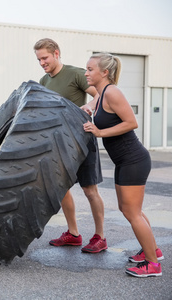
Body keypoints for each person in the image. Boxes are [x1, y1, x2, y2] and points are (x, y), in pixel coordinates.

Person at [83, 52, 163, 277]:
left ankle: (153, 263)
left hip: (133, 159)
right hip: (124, 161)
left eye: (90, 69)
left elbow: (131, 122)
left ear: (104, 72)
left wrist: (99, 132)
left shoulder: (113, 92)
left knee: (131, 212)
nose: (86, 73)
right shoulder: (101, 94)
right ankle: (152, 249)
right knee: (130, 210)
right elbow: (90, 106)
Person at [34, 38, 107, 253]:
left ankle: (100, 236)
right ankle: (74, 234)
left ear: (56, 53)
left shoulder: (76, 74)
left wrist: (90, 105)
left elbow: (101, 94)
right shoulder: (43, 80)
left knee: (89, 190)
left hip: (81, 138)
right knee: (62, 189)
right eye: (38, 59)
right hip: (58, 142)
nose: (42, 63)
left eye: (45, 58)